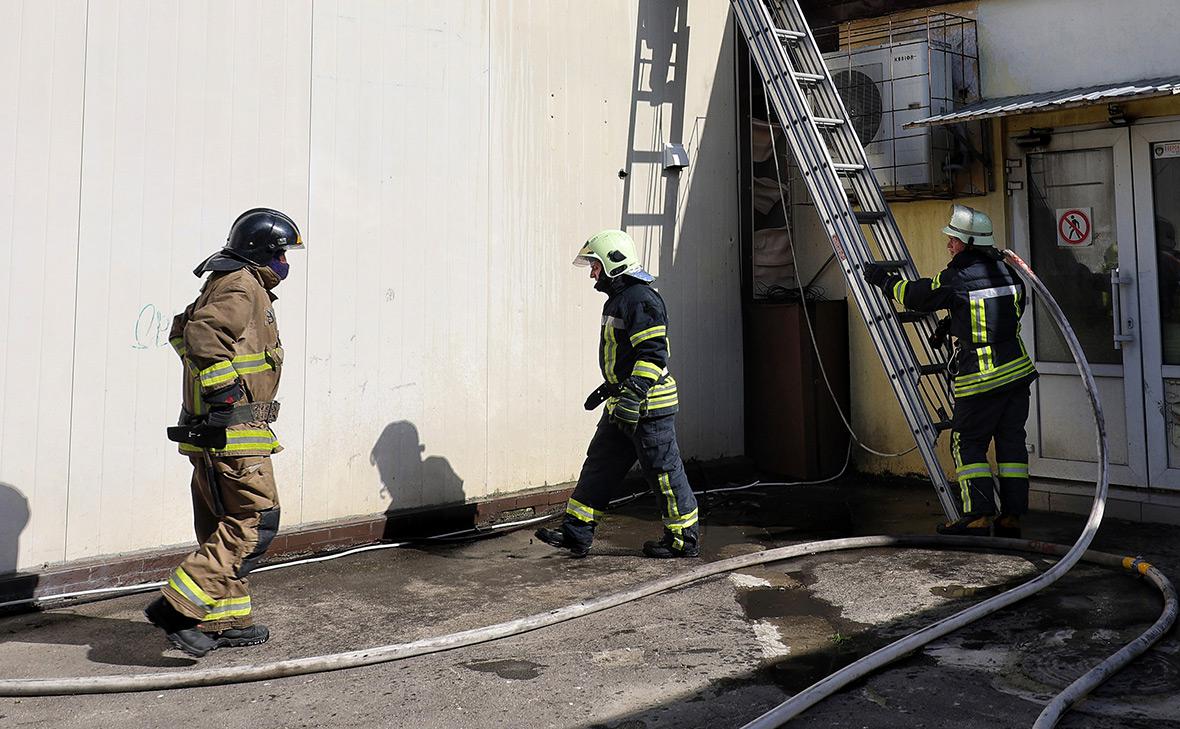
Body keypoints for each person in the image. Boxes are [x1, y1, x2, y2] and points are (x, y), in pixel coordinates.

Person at [144, 208, 303, 657]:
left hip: (220, 431)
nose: (284, 263)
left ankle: (225, 619)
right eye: (280, 254)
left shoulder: (231, 282)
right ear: (260, 253)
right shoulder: (242, 285)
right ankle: (175, 610)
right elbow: (200, 335)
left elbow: (181, 329)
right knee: (254, 522)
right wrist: (225, 394)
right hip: (234, 431)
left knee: (220, 521)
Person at [862, 204, 1037, 537]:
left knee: (967, 443)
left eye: (954, 240)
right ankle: (1011, 516)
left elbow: (916, 296)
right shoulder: (1010, 274)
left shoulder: (956, 278)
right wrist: (955, 321)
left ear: (969, 243)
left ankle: (978, 515)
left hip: (982, 379)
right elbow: (1000, 316)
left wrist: (885, 281)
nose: (949, 245)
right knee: (1011, 444)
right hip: (1017, 375)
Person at [535, 230, 699, 558]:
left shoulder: (640, 299)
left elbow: (653, 355)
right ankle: (576, 533)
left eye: (595, 265)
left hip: (648, 406)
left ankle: (683, 540)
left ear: (613, 263)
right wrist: (616, 394)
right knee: (600, 466)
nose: (592, 272)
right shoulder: (621, 300)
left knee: (663, 473)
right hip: (623, 403)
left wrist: (633, 394)